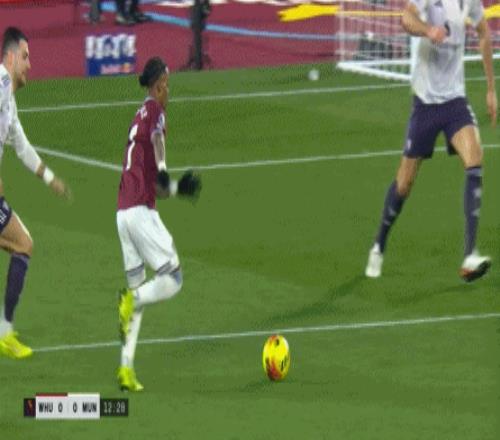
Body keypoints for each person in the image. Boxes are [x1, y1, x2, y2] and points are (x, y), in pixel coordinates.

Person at [365, 0, 497, 281]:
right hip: (425, 103)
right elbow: (406, 18)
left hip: (455, 101)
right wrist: (428, 30)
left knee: (475, 160)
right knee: (404, 184)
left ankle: (470, 255)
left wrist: (490, 88)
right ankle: (379, 243)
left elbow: (484, 32)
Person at [116, 57, 201, 391]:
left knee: (137, 299)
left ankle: (126, 369)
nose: (169, 91)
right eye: (167, 84)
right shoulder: (154, 111)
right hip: (140, 213)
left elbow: (160, 190)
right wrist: (165, 167)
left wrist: (179, 188)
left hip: (123, 214)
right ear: (159, 85)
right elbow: (157, 139)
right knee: (173, 277)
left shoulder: (137, 115)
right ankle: (131, 299)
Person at [0, 27, 70, 359]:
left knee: (22, 244)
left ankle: (4, 333)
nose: (30, 65)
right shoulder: (1, 83)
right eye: (26, 57)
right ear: (11, 57)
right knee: (23, 244)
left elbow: (22, 147)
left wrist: (50, 178)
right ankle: (4, 332)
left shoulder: (8, 102)